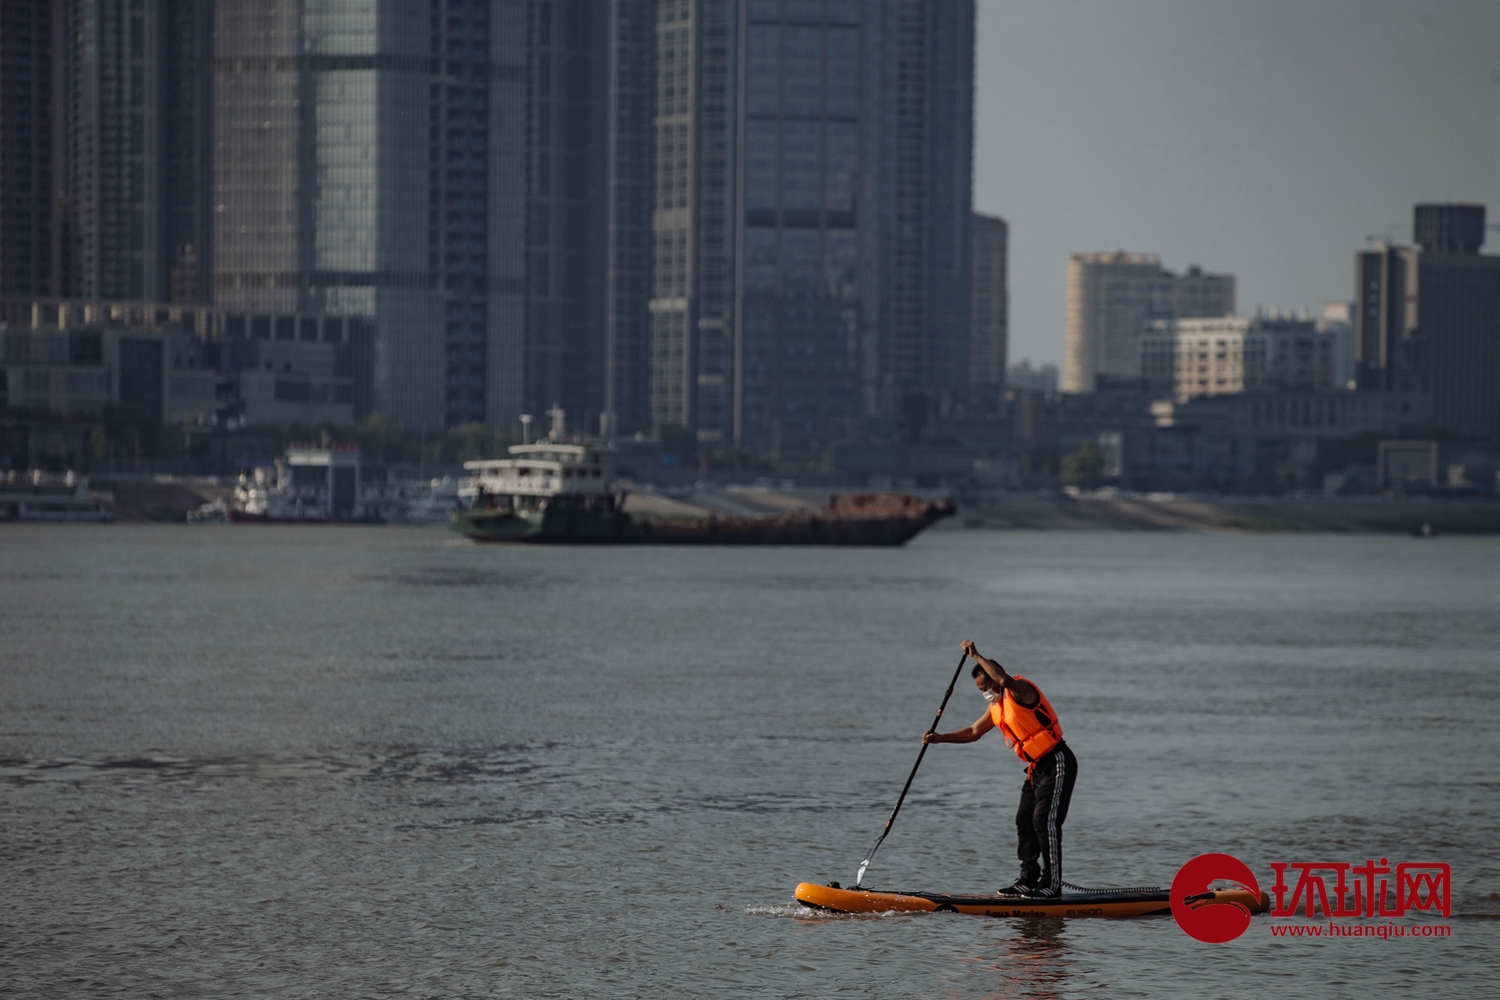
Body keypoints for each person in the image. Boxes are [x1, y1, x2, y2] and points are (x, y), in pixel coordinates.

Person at [922, 640, 1077, 897]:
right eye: (981, 691)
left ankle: (1052, 884)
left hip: (1057, 760)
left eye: (986, 687)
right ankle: (1029, 879)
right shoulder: (996, 707)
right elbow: (973, 732)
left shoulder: (1021, 690)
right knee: (1024, 820)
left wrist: (976, 655)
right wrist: (940, 738)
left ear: (995, 677)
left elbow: (1003, 682)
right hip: (1035, 769)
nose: (986, 694)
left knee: (1044, 821)